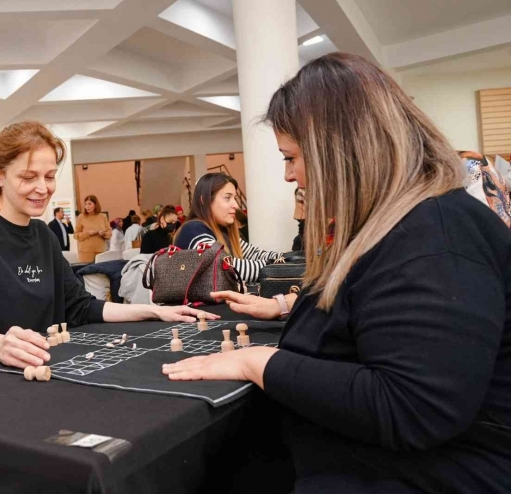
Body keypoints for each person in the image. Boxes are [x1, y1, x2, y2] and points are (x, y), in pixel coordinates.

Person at [164, 53, 511, 493]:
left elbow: (412, 409)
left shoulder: (437, 232)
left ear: (338, 149)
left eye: (292, 157)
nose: (289, 175)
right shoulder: (396, 225)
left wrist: (260, 360)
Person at [0, 121, 217, 369]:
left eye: (50, 177)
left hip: (48, 369)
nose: (43, 188)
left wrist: (152, 310)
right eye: (28, 177)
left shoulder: (42, 234)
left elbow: (80, 307)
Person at [173, 173, 281, 282]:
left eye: (234, 198)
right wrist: (277, 266)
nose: (236, 205)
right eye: (227, 198)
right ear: (204, 200)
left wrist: (284, 258)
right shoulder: (193, 230)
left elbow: (255, 254)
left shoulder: (222, 231)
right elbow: (224, 266)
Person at [74, 195, 111, 262]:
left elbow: (109, 232)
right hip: (85, 252)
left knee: (101, 271)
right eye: (85, 204)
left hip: (101, 251)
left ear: (95, 205)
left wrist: (103, 234)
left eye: (89, 204)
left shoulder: (103, 217)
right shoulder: (81, 217)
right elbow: (76, 235)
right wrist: (88, 233)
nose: (87, 206)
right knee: (85, 271)